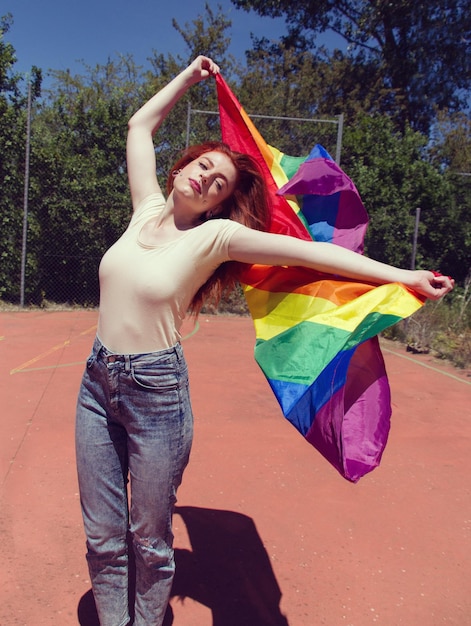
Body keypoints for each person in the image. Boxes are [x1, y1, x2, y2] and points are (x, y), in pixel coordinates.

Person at [75, 55, 454, 626]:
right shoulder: (143, 210)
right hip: (95, 384)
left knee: (148, 539)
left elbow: (312, 254)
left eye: (218, 182)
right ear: (183, 166)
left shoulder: (218, 237)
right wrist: (190, 76)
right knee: (103, 535)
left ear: (219, 203)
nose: (204, 176)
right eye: (202, 165)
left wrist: (402, 276)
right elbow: (138, 127)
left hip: (155, 393)